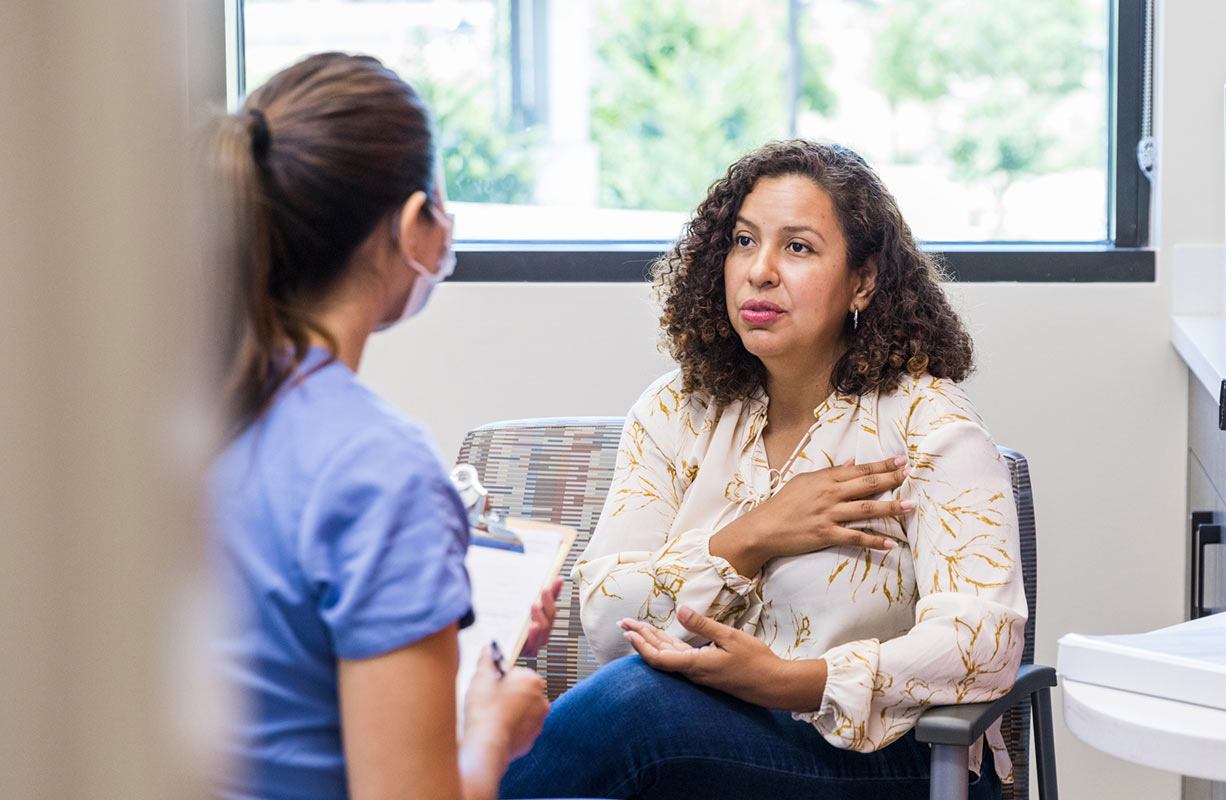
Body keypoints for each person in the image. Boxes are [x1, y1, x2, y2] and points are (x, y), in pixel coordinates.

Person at [500, 140, 1027, 800]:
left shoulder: (928, 422)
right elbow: (608, 617)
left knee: (634, 706)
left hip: (891, 759)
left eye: (798, 247)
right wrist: (754, 536)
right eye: (744, 242)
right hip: (711, 744)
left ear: (862, 279)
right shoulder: (675, 409)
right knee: (629, 715)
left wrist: (791, 680)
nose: (760, 270)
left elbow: (984, 642)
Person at [209, 52, 558, 800]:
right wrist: (494, 729)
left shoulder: (189, 410)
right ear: (411, 226)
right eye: (441, 197)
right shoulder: (381, 468)